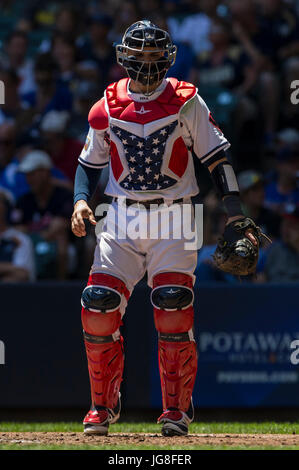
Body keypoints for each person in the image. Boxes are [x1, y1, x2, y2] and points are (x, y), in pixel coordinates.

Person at [71, 20, 257, 437]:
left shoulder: (187, 100)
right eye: (141, 57)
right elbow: (88, 164)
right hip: (118, 214)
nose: (148, 65)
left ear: (169, 58)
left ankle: (176, 409)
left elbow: (217, 158)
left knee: (173, 305)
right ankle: (102, 404)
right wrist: (81, 201)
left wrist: (235, 212)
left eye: (156, 57)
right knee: (99, 304)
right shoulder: (105, 106)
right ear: (125, 58)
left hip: (178, 213)